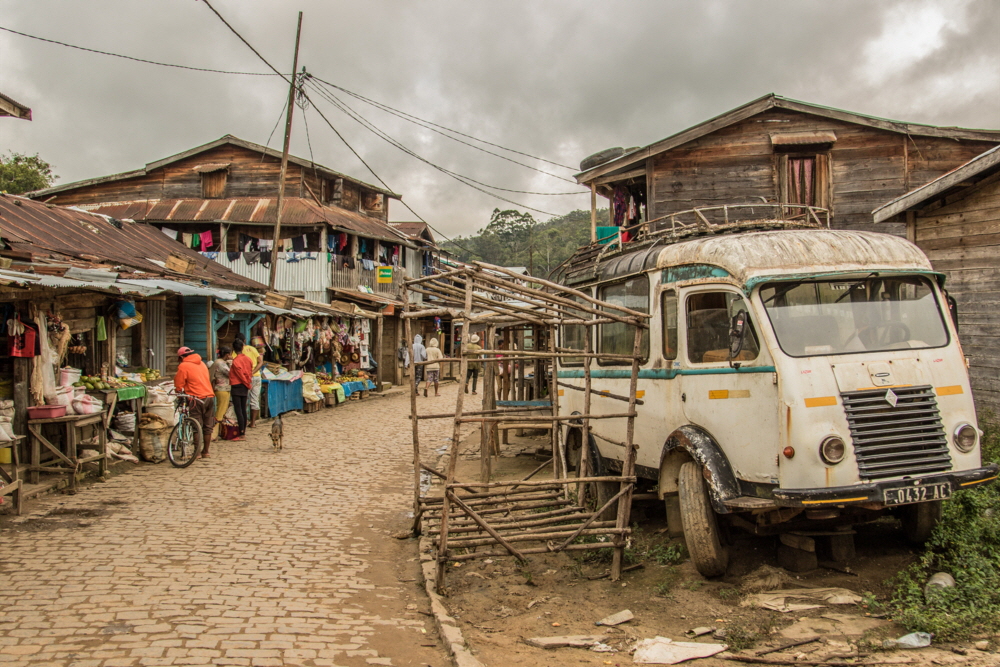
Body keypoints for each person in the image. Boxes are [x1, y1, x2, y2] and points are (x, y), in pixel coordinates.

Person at [173, 346, 216, 458]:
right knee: (207, 426)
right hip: (209, 396)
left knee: (196, 425)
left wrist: (178, 394)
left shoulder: (183, 366)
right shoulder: (202, 364)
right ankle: (205, 452)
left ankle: (196, 453)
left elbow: (179, 385)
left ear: (181, 357)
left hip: (195, 398)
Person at [236, 332, 264, 427]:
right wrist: (253, 371)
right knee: (254, 400)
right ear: (244, 340)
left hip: (244, 378)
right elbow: (261, 362)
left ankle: (243, 422)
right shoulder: (252, 349)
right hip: (256, 376)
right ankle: (253, 422)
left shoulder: (237, 351)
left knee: (243, 400)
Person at [229, 339, 253, 440]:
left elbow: (240, 374)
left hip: (238, 385)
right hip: (245, 385)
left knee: (238, 410)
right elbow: (249, 371)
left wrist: (246, 383)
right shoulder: (248, 359)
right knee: (243, 409)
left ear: (233, 349)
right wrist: (248, 383)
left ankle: (242, 433)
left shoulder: (236, 361)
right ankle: (243, 431)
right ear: (243, 347)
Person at [209, 346, 233, 440]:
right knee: (220, 412)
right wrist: (231, 363)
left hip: (223, 388)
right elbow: (230, 373)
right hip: (222, 389)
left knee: (221, 411)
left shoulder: (219, 362)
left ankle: (218, 432)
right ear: (227, 355)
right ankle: (213, 434)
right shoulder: (221, 363)